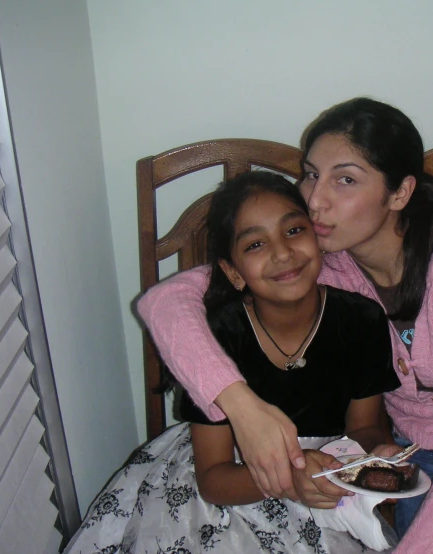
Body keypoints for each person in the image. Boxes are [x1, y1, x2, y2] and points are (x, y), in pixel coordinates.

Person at [138, 97, 433, 553]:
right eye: (311, 175)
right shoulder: (322, 260)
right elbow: (164, 302)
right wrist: (241, 407)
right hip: (418, 453)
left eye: (345, 180)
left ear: (399, 192)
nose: (315, 201)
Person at [66, 171, 402, 554]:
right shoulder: (212, 336)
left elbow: (363, 428)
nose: (282, 253)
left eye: (294, 231)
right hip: (230, 491)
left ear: (318, 238)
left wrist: (377, 455)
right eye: (256, 244)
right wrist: (289, 480)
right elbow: (213, 480)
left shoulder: (362, 320)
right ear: (232, 271)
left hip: (325, 479)